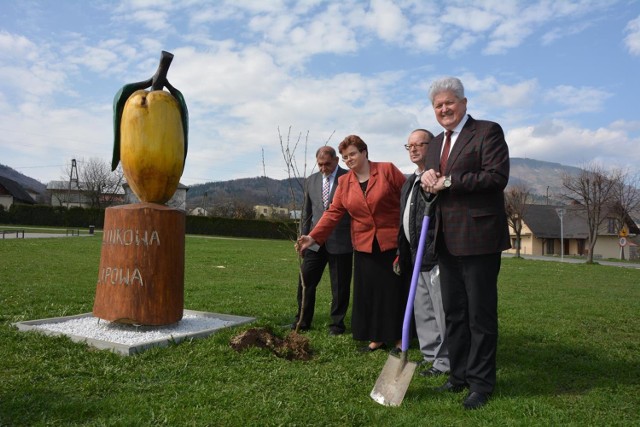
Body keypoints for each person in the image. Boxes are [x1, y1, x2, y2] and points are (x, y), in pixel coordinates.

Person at [420, 77, 510, 410]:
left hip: (479, 238)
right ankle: (458, 375)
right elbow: (432, 184)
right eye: (438, 105)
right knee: (454, 312)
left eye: (449, 103)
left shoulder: (487, 132)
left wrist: (449, 180)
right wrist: (427, 180)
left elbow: (497, 177)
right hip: (445, 237)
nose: (444, 109)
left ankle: (481, 384)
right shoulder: (434, 145)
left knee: (480, 315)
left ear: (464, 103)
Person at [296, 135, 407, 353]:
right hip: (364, 244)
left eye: (353, 154)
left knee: (393, 292)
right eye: (346, 157)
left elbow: (407, 199)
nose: (349, 159)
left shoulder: (387, 170)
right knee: (370, 292)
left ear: (365, 152)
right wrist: (313, 237)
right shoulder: (345, 182)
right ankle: (377, 338)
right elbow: (334, 212)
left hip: (392, 242)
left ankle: (398, 338)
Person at [397, 129, 449, 377]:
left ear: (433, 146)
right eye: (410, 146)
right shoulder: (409, 182)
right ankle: (432, 357)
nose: (414, 149)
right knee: (423, 311)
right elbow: (405, 220)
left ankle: (447, 361)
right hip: (414, 257)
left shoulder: (438, 177)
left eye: (420, 144)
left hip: (435, 256)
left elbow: (443, 208)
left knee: (441, 311)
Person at [291, 146, 353, 335]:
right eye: (320, 164)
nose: (324, 168)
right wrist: (303, 237)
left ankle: (336, 325)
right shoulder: (311, 181)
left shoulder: (349, 178)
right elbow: (307, 213)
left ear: (336, 161)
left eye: (327, 164)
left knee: (339, 286)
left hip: (341, 241)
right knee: (306, 280)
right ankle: (302, 320)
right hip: (314, 241)